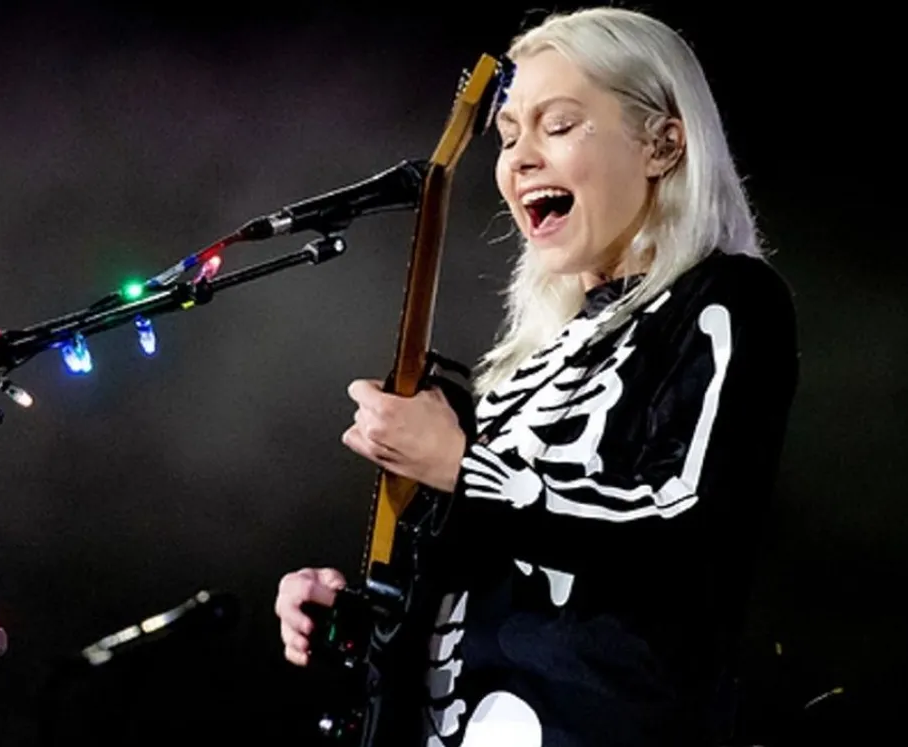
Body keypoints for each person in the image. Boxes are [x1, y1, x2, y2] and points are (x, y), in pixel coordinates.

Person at [275, 6, 798, 747]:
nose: (517, 159)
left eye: (557, 125)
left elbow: (685, 534)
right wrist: (357, 612)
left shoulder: (727, 299)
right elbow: (483, 584)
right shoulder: (525, 367)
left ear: (663, 143)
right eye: (509, 134)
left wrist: (462, 468)